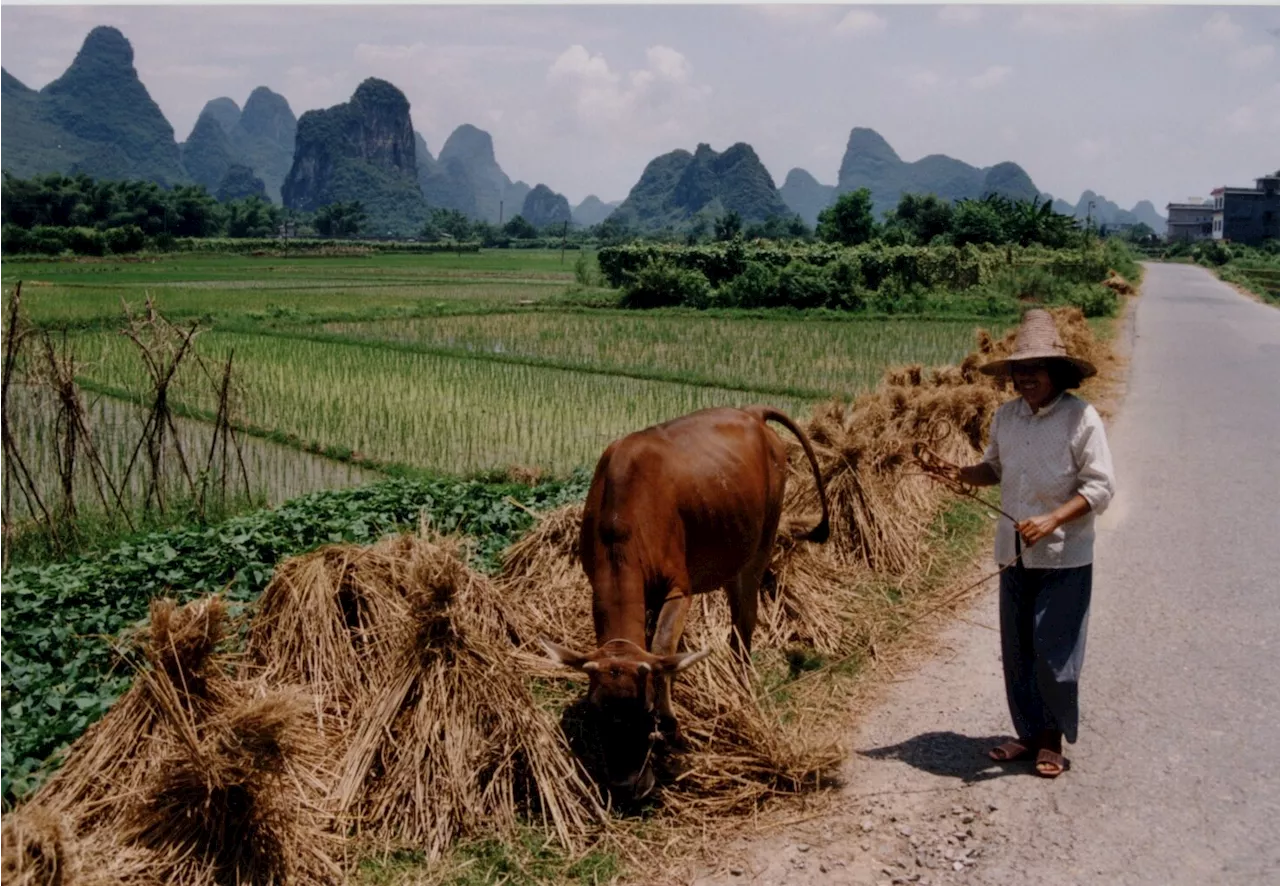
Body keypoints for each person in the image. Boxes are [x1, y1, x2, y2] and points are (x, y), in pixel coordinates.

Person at [947, 309, 1115, 778]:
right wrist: (958, 473)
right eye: (1019, 370)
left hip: (1065, 555)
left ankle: (1052, 741)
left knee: (1053, 651)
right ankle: (1025, 734)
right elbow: (994, 469)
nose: (1026, 378)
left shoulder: (1081, 419)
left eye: (1035, 369)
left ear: (1057, 373)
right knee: (1018, 648)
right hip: (1013, 552)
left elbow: (1101, 486)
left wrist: (1054, 518)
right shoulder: (1007, 417)